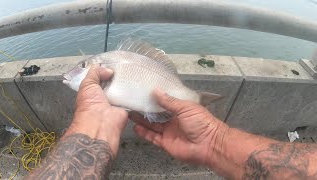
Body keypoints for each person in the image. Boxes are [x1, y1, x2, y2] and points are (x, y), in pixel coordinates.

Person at [26, 66, 317, 179]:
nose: (74, 74)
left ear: (97, 69)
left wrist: (90, 122)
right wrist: (214, 138)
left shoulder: (102, 72)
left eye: (81, 68)